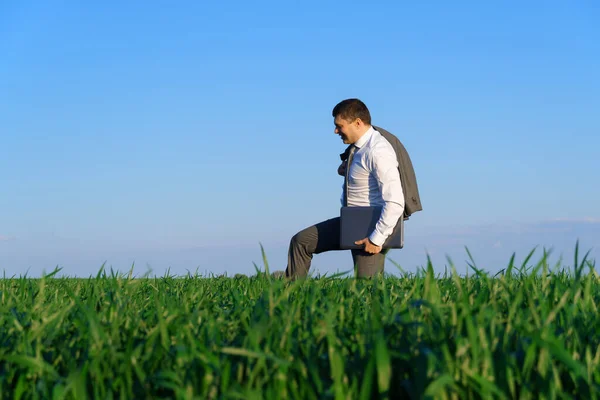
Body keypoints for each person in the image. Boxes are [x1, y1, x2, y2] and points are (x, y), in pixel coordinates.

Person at [285, 98, 405, 279]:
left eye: (339, 126)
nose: (335, 131)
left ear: (357, 123)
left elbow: (395, 201)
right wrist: (346, 170)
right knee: (301, 242)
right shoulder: (358, 149)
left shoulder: (378, 151)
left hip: (370, 228)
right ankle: (289, 297)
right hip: (350, 221)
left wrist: (376, 239)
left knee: (367, 289)